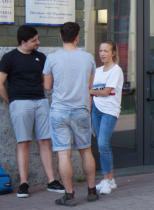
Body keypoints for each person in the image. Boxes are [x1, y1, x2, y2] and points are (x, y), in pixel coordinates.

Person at [0, 25, 62, 198]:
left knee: (45, 141)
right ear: (23, 42)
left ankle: (52, 181)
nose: (38, 42)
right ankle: (24, 183)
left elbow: (46, 81)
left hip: (40, 101)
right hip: (20, 103)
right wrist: (12, 102)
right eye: (34, 40)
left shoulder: (41, 57)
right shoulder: (9, 58)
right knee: (24, 143)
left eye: (37, 39)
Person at [42, 22, 99, 205]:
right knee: (86, 150)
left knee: (63, 154)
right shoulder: (88, 57)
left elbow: (47, 86)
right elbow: (90, 86)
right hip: (81, 110)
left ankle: (69, 195)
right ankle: (92, 191)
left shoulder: (52, 58)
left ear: (61, 36)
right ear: (77, 37)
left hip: (59, 110)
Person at [91, 41, 124, 195]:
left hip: (109, 111)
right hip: (96, 110)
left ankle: (105, 180)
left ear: (113, 53)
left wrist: (89, 90)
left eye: (106, 51)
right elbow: (96, 92)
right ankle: (110, 180)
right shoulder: (97, 71)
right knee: (103, 144)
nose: (102, 54)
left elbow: (105, 92)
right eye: (100, 51)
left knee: (102, 144)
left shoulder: (116, 70)